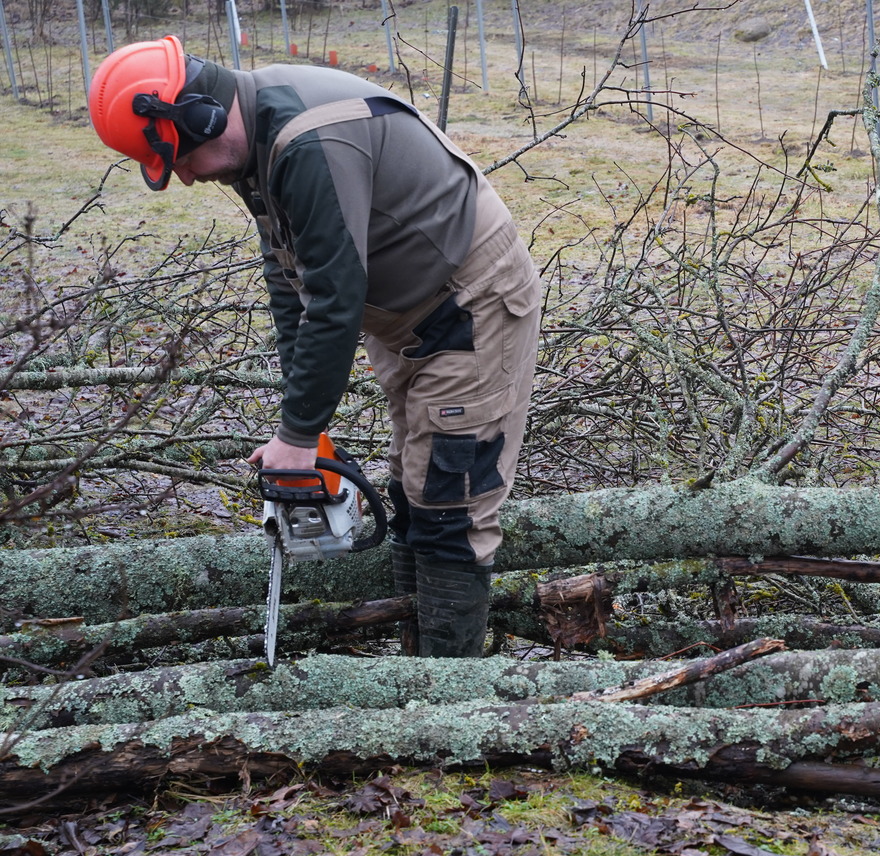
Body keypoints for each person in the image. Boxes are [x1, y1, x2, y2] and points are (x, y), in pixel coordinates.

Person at [87, 36, 541, 657]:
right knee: (414, 490)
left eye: (182, 157)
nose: (187, 175)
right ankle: (418, 673)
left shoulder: (306, 140)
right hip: (402, 315)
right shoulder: (256, 145)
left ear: (202, 115)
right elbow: (291, 285)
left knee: (451, 501)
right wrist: (296, 427)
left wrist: (300, 441)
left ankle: (449, 711)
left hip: (467, 300)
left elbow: (334, 298)